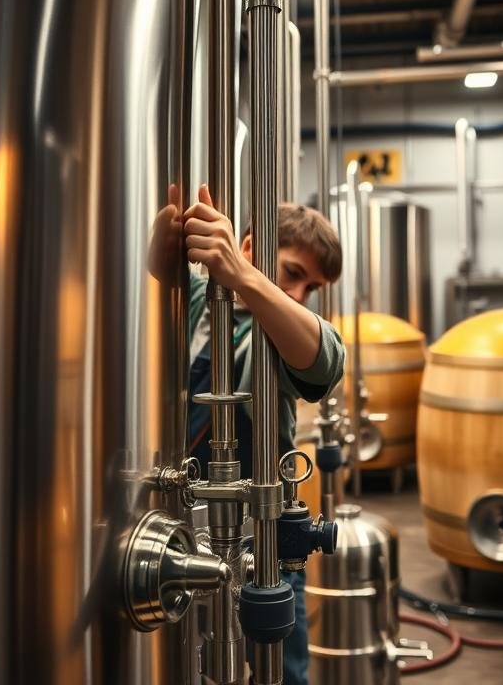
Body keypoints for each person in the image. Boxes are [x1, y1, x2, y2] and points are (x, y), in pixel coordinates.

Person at [150, 183, 344, 685]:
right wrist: (157, 253)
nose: (299, 295)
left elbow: (325, 363)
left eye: (312, 289)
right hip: (181, 526)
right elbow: (148, 291)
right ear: (254, 244)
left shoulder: (279, 326)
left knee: (283, 669)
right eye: (294, 274)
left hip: (264, 537)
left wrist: (245, 277)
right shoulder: (194, 302)